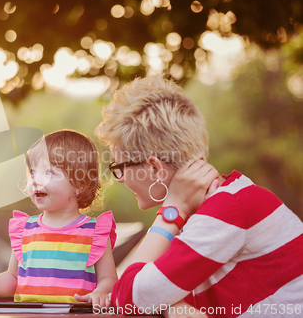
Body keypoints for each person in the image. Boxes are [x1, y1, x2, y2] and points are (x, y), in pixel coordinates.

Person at [95, 75, 303, 318]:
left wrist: (171, 210)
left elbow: (127, 299)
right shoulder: (218, 206)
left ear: (155, 168)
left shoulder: (228, 209)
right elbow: (134, 290)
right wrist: (171, 304)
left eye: (120, 167)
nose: (119, 179)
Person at [0, 129, 118, 308]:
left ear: (80, 184)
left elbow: (109, 279)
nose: (36, 180)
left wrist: (100, 292)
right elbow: (13, 278)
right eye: (33, 172)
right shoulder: (25, 230)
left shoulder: (95, 233)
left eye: (49, 173)